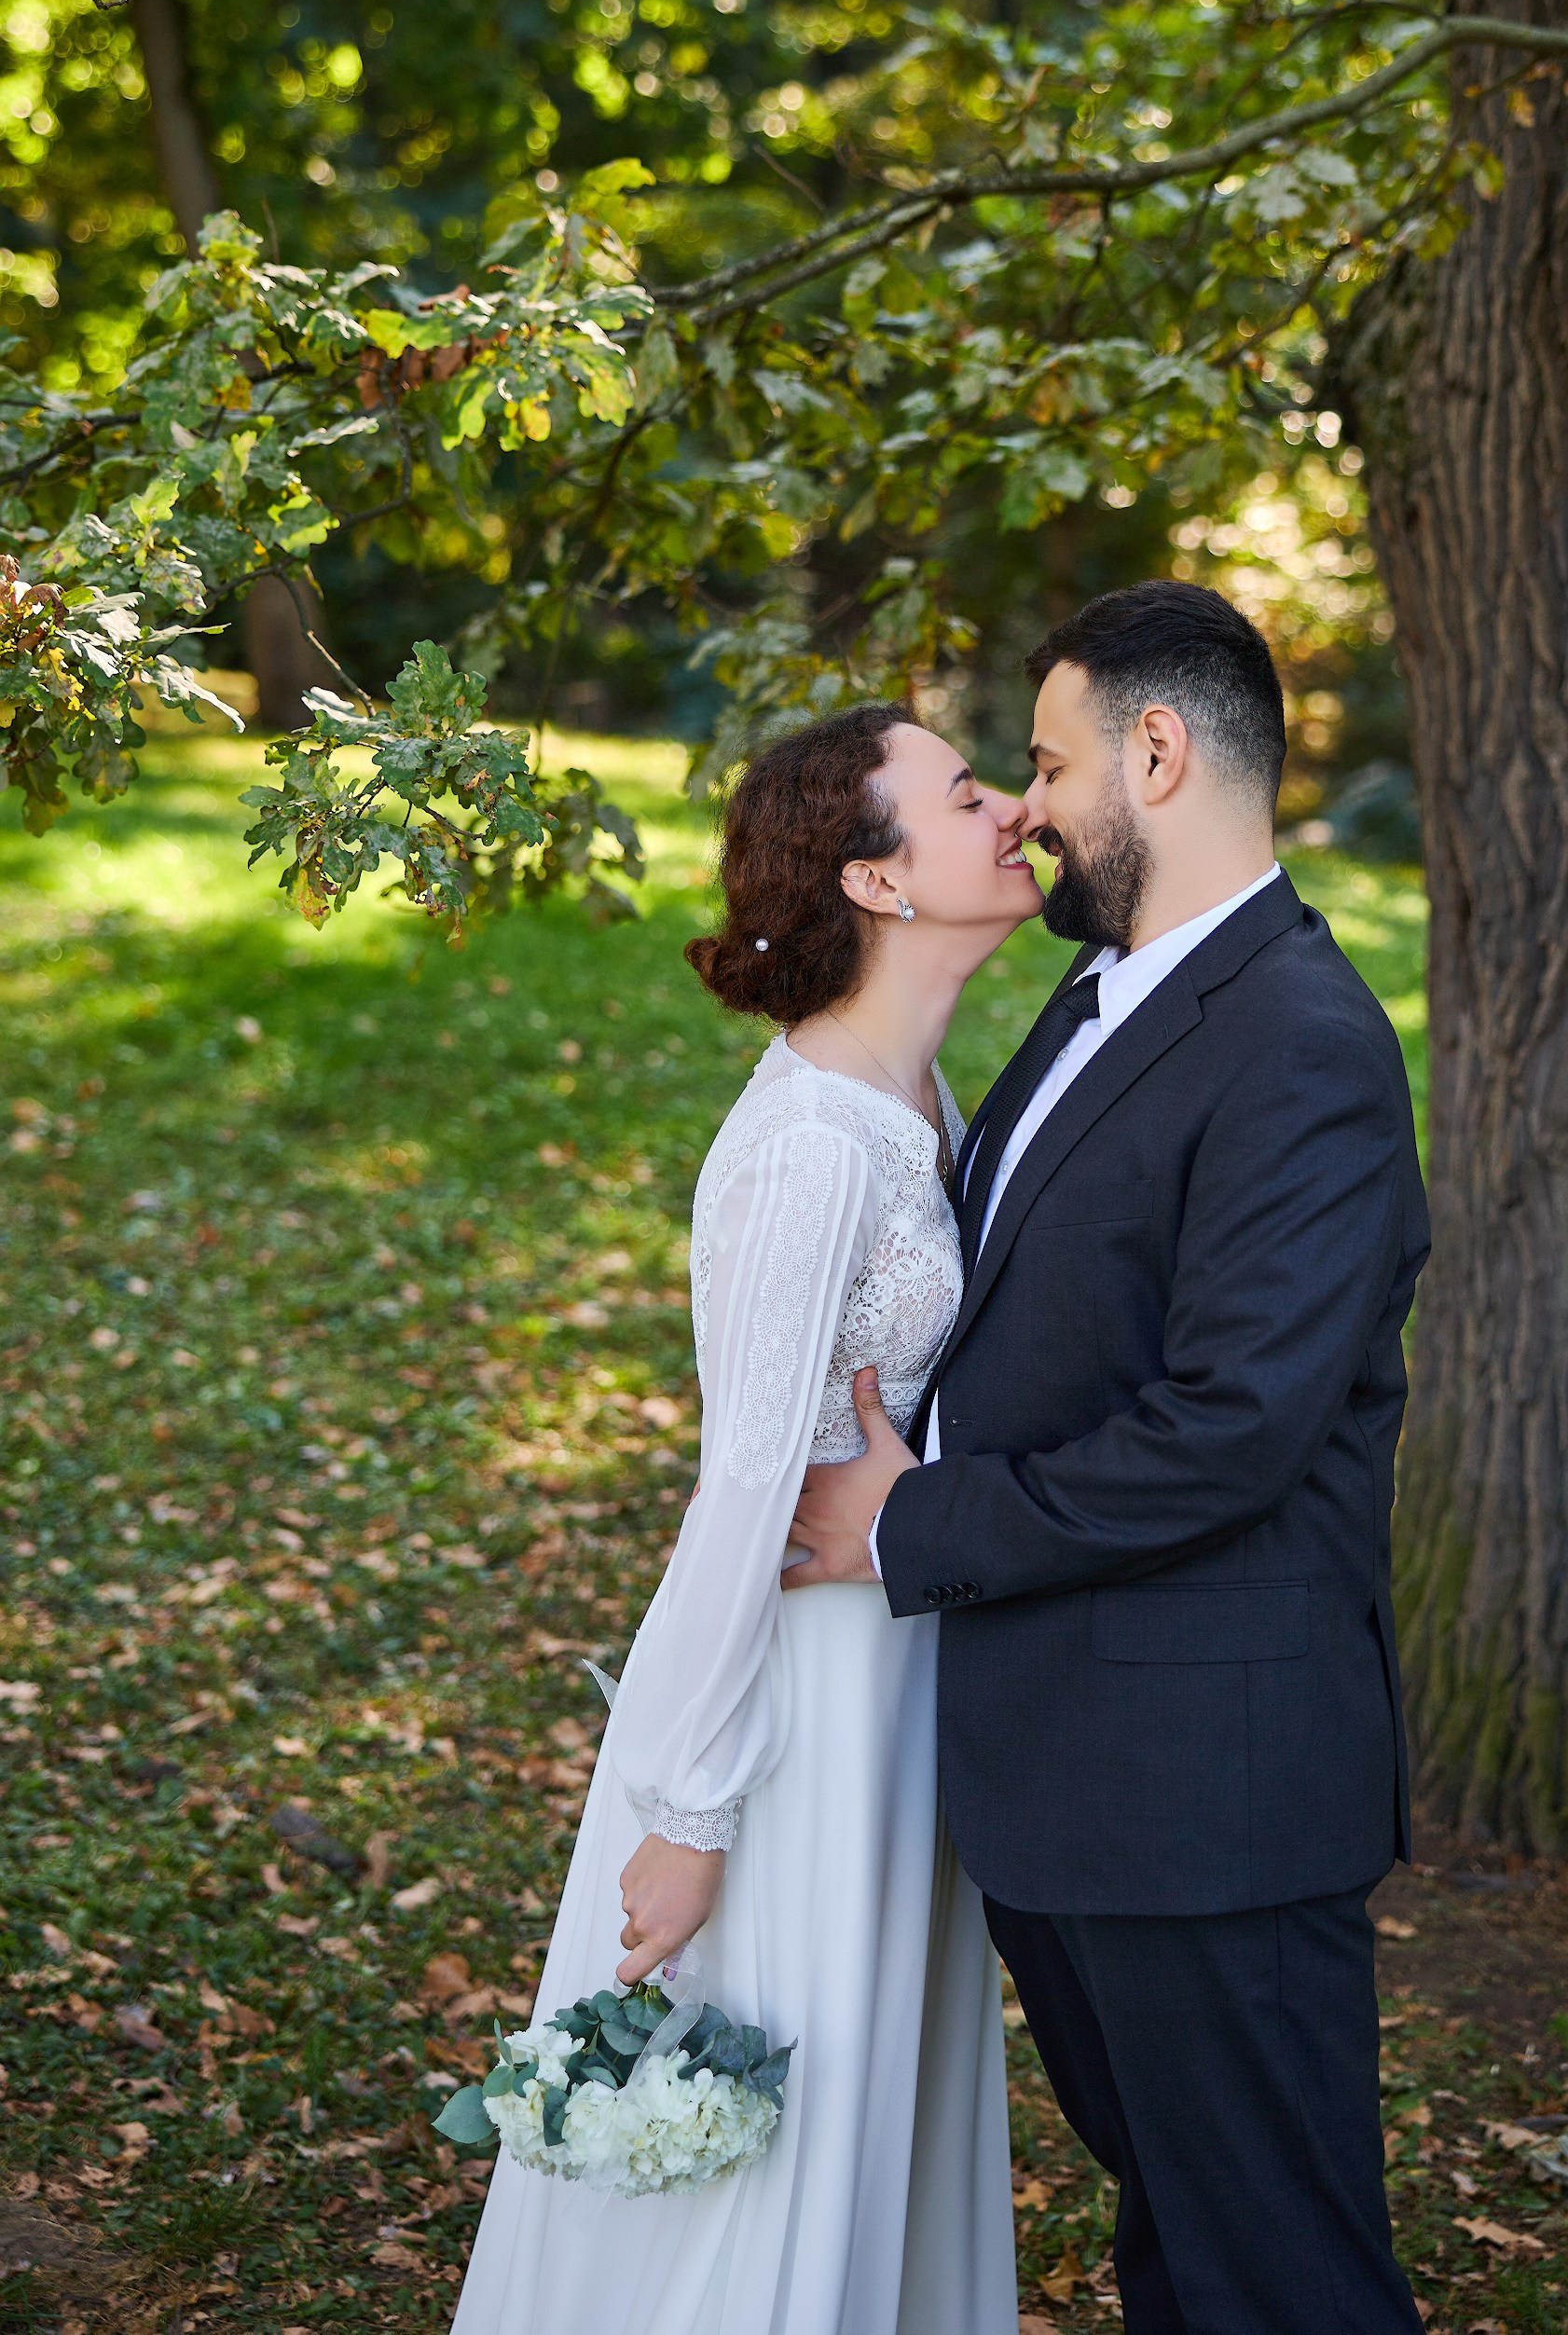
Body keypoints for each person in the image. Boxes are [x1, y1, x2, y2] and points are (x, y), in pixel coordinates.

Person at [788, 581, 1430, 2335]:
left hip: (1209, 1796)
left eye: (1053, 763)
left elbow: (1230, 1431)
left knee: (1280, 2278)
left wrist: (913, 1522)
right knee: (1183, 2249)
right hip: (1073, 1778)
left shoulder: (1304, 1046)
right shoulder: (1102, 995)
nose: (1029, 804)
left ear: (1157, 754)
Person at [450, 705, 1034, 2335]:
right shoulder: (807, 1150)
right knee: (772, 2127)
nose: (1012, 810)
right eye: (966, 795)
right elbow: (743, 1494)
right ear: (878, 880)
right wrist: (691, 1808)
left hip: (896, 1668)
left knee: (871, 2107)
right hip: (791, 1710)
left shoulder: (919, 1099)